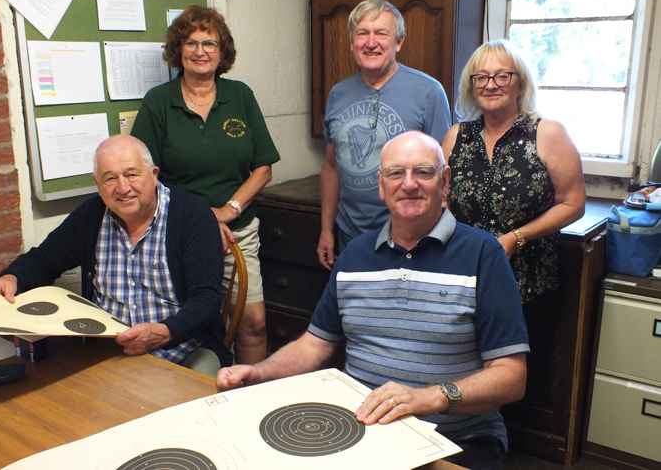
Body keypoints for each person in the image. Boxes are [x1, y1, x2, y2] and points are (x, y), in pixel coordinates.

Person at [218, 132, 530, 470]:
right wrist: (259, 372)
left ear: (445, 181)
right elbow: (314, 346)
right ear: (381, 186)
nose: (408, 184)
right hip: (361, 431)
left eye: (423, 172)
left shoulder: (483, 254)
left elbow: (512, 376)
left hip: (457, 441)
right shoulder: (356, 254)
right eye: (396, 173)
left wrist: (430, 397)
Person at [0, 135, 229, 374]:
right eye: (110, 178)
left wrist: (166, 332)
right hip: (107, 352)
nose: (123, 188)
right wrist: (12, 277)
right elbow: (43, 260)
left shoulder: (192, 215)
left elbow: (206, 298)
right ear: (97, 184)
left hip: (181, 348)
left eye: (132, 174)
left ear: (154, 175)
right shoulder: (91, 216)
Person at [131, 5, 280, 364]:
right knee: (197, 323)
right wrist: (203, 218)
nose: (200, 51)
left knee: (254, 323)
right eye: (191, 42)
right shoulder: (158, 102)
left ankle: (251, 395)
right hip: (179, 233)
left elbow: (263, 169)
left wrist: (228, 212)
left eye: (209, 43)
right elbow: (145, 176)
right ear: (177, 50)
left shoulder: (240, 96)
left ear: (222, 51)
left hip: (238, 231)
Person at [442, 39, 586, 304]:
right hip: (462, 277)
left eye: (502, 76)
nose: (491, 85)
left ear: (520, 84)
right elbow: (441, 196)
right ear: (472, 87)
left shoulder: (548, 134)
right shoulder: (456, 136)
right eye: (481, 78)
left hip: (525, 283)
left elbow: (573, 204)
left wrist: (516, 238)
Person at [317, 0, 452, 270]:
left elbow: (444, 176)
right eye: (362, 33)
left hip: (412, 238)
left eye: (381, 33)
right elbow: (331, 167)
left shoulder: (429, 92)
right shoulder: (337, 94)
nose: (371, 42)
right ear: (352, 41)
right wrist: (326, 229)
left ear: (398, 42)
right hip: (350, 234)